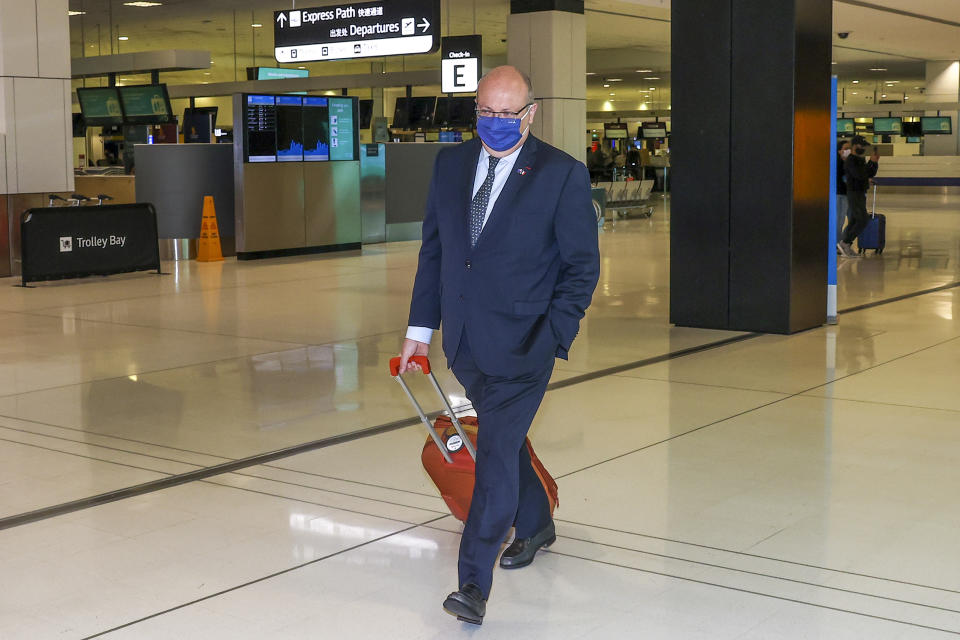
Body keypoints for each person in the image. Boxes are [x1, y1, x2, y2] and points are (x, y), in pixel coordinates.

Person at [397, 65, 600, 625]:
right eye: (487, 111)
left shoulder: (561, 175)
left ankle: (473, 584)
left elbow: (581, 268)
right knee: (505, 446)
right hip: (466, 343)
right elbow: (435, 254)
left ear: (530, 115)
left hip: (526, 346)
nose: (497, 123)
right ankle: (535, 521)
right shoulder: (450, 164)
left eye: (509, 114)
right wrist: (421, 333)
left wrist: (554, 335)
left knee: (492, 458)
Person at [838, 134, 879, 258]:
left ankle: (845, 244)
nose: (863, 148)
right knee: (862, 219)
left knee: (855, 219)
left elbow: (868, 172)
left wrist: (873, 162)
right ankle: (845, 242)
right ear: (855, 145)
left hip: (860, 193)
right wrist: (867, 178)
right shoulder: (851, 160)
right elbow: (859, 175)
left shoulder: (860, 159)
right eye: (861, 146)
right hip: (854, 193)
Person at [836, 139, 851, 244]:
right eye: (845, 149)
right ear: (839, 151)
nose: (848, 151)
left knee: (848, 219)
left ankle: (842, 241)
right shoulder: (836, 162)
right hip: (838, 194)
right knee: (838, 220)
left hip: (847, 194)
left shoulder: (850, 162)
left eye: (849, 149)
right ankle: (837, 242)